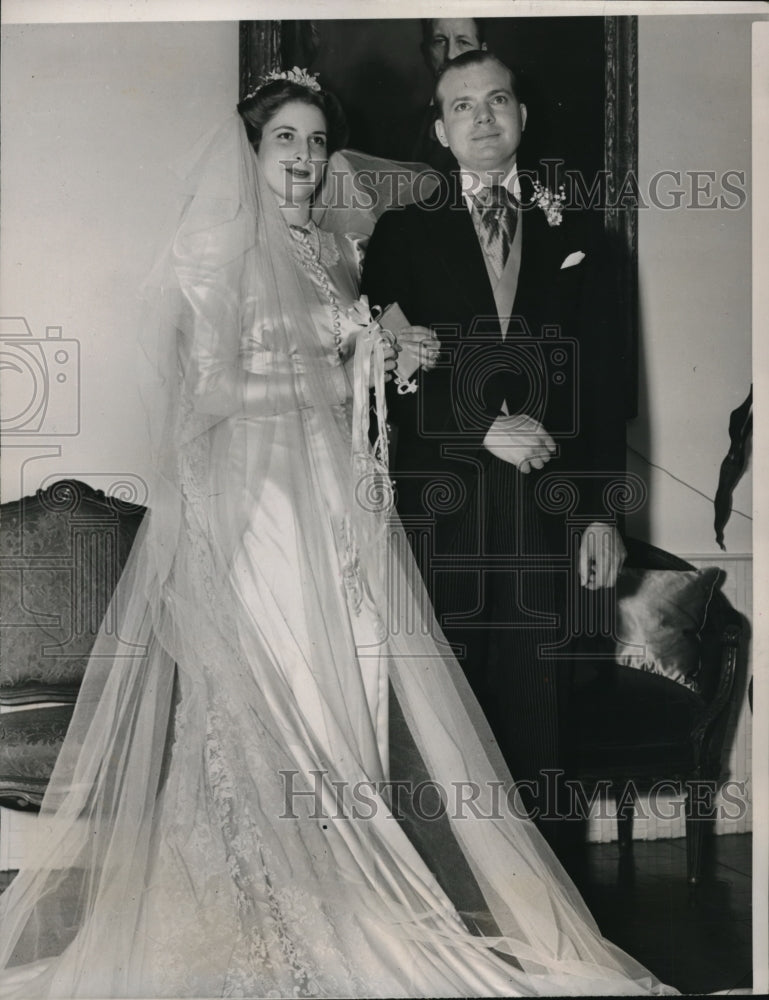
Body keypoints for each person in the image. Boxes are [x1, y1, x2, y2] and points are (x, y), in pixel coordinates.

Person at [0, 70, 666, 998]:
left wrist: (387, 355)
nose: (306, 158)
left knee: (351, 709)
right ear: (252, 149)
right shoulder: (211, 248)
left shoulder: (334, 252)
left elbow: (374, 362)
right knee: (285, 712)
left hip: (343, 508)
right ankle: (261, 924)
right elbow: (211, 395)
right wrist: (355, 365)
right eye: (287, 140)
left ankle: (346, 908)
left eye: (317, 141)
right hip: (265, 517)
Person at [362, 50, 628, 850]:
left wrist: (599, 514)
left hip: (550, 516)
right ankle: (452, 915)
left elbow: (607, 390)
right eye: (462, 105)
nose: (483, 116)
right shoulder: (402, 234)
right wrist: (480, 424)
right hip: (440, 511)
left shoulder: (584, 233)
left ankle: (549, 924)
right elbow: (381, 369)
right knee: (443, 714)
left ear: (522, 116)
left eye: (498, 99)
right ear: (441, 131)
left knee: (541, 713)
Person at [411, 17, 486, 172]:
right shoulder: (407, 126)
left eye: (463, 42)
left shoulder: (498, 121)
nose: (450, 55)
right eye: (439, 41)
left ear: (482, 53)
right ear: (425, 52)